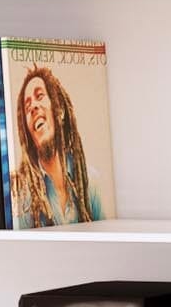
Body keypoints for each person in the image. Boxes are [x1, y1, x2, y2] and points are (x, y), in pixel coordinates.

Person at [11, 64, 103, 226]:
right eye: (27, 106)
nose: (33, 107)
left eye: (40, 96)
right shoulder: (22, 199)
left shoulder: (90, 181)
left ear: (60, 110)